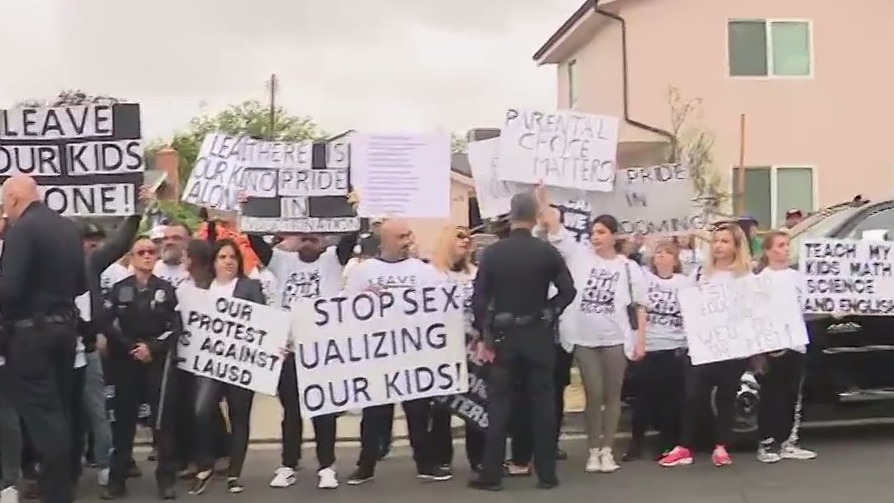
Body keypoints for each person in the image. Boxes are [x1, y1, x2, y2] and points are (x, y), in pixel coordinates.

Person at [468, 192, 576, 491]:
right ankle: (547, 474)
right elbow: (568, 291)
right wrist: (549, 313)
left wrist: (485, 333)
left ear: (511, 215)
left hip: (504, 336)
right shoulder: (546, 252)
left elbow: (478, 300)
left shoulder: (492, 253)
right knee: (542, 404)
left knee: (499, 404)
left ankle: (491, 474)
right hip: (537, 335)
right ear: (534, 217)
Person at [245, 226, 355, 490]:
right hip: (290, 351)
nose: (310, 237)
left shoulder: (333, 260)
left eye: (316, 232)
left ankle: (327, 466)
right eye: (304, 232)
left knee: (324, 411)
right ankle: (288, 464)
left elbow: (351, 235)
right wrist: (248, 208)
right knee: (291, 412)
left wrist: (355, 208)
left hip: (322, 351)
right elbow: (254, 240)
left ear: (327, 238)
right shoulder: (282, 261)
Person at [539, 205, 647, 474]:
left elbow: (640, 305)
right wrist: (543, 200)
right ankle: (593, 449)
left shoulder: (627, 267)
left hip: (615, 338)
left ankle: (607, 450)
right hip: (584, 338)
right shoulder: (579, 256)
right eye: (592, 232)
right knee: (594, 393)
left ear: (614, 236)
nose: (595, 237)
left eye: (601, 232)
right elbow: (555, 229)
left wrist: (641, 339)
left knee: (613, 395)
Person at [343, 219, 450, 485]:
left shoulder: (424, 271)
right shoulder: (363, 271)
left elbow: (441, 306)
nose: (407, 241)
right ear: (385, 240)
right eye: (401, 236)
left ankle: (425, 464)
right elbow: (344, 309)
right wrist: (364, 300)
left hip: (414, 355)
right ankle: (365, 466)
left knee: (418, 413)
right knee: (374, 415)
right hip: (378, 356)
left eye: (409, 235)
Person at [0, 175, 87, 503]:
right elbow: (81, 284)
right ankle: (61, 490)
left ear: (13, 198)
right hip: (64, 333)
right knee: (59, 416)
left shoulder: (22, 230)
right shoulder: (67, 228)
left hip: (31, 337)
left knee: (46, 423)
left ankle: (57, 494)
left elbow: (9, 290)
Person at [75, 186, 153, 488]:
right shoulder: (43, 266)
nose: (91, 247)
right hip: (54, 351)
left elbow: (118, 243)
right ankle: (63, 468)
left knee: (97, 410)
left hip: (88, 348)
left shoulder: (90, 265)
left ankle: (107, 464)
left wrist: (136, 212)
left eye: (94, 242)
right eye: (86, 241)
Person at [659, 223, 753, 468]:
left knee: (725, 397)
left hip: (731, 347)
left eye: (725, 241)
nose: (719, 246)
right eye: (716, 241)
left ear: (736, 246)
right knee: (692, 396)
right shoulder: (700, 273)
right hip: (702, 348)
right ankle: (684, 446)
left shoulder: (744, 276)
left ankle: (721, 446)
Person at [98, 236, 182, 500]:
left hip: (155, 363)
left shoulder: (166, 290)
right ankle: (116, 481)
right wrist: (131, 347)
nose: (147, 256)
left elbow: (176, 327)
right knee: (123, 425)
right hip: (126, 361)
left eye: (151, 252)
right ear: (131, 257)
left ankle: (166, 480)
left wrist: (152, 348)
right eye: (141, 252)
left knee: (162, 424)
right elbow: (108, 324)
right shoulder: (119, 288)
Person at [188, 240, 265, 495]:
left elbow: (263, 322)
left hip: (240, 365)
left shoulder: (250, 287)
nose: (228, 261)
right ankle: (205, 464)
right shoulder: (202, 288)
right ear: (214, 261)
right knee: (201, 410)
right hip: (209, 365)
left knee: (239, 417)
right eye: (222, 256)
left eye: (232, 256)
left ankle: (235, 473)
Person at [754, 231, 817, 463]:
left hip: (796, 342)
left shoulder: (797, 277)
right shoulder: (760, 280)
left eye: (787, 245)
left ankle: (788, 441)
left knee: (792, 394)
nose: (786, 249)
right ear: (769, 250)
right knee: (772, 395)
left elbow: (807, 305)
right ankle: (766, 442)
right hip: (773, 344)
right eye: (780, 245)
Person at [624, 239, 688, 461]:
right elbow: (628, 262)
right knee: (642, 399)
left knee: (670, 401)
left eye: (666, 253)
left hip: (674, 348)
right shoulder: (645, 277)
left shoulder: (684, 283)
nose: (660, 255)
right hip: (649, 346)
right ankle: (636, 443)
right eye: (657, 252)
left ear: (675, 259)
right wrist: (636, 243)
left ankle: (668, 442)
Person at [429, 225, 485, 472]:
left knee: (476, 402)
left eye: (468, 237)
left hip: (473, 347)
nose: (465, 241)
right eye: (459, 236)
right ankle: (441, 456)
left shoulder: (477, 273)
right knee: (441, 406)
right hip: (442, 347)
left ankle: (479, 458)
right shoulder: (432, 274)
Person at [153, 223, 191, 288]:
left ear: (188, 241)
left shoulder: (196, 272)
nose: (169, 242)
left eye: (176, 238)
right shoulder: (151, 269)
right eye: (165, 238)